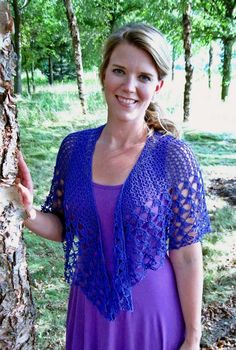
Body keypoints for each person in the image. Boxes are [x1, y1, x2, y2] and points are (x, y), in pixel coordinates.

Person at [17, 23, 211, 350]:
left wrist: (193, 336)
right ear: (103, 74)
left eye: (144, 77)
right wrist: (27, 212)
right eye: (119, 70)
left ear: (158, 85)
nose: (129, 86)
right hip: (89, 310)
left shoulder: (172, 156)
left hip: (153, 315)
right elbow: (66, 226)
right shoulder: (74, 149)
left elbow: (188, 256)